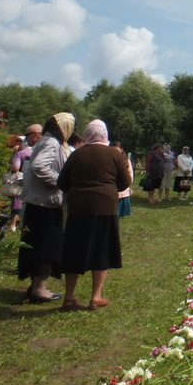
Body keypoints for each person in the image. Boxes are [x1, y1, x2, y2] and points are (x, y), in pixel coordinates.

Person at [57, 120, 132, 311]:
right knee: (101, 250)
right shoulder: (114, 154)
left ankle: (69, 297)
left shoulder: (76, 154)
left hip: (78, 208)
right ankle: (95, 297)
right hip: (104, 208)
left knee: (74, 250)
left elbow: (62, 182)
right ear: (104, 135)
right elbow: (124, 182)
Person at [18, 112, 75, 303]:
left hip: (39, 202)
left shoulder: (47, 141)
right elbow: (39, 166)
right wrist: (59, 182)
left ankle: (36, 285)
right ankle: (39, 289)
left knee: (37, 245)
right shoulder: (51, 143)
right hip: (45, 203)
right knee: (47, 247)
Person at [8, 123, 43, 230]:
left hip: (22, 180)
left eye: (27, 135)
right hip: (36, 187)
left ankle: (13, 225)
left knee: (17, 202)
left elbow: (15, 168)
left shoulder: (20, 153)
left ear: (36, 135)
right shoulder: (36, 151)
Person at [111, 140, 134, 216]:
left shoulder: (126, 161)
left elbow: (130, 177)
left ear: (121, 150)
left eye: (117, 150)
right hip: (110, 193)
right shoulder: (107, 161)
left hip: (122, 192)